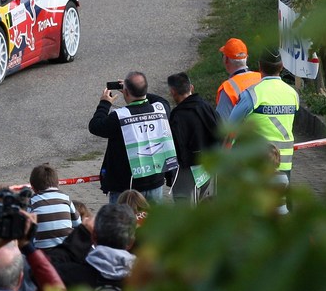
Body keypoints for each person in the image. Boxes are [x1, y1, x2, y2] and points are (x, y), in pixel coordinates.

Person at [89, 72, 178, 203]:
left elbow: (95, 126)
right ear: (145, 90)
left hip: (126, 189)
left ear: (125, 92)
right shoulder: (161, 109)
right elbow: (161, 100)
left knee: (123, 223)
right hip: (155, 182)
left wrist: (104, 103)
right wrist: (138, 91)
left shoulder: (118, 117)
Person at [228, 48, 300, 179]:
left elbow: (231, 125)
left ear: (260, 66)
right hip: (284, 164)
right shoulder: (293, 94)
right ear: (282, 66)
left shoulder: (252, 94)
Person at [51, 203, 136, 291]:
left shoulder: (70, 275)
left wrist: (82, 234)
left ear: (93, 237)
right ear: (130, 243)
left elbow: (45, 268)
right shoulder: (147, 283)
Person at [166, 71, 219, 203]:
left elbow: (174, 147)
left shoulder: (178, 116)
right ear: (191, 88)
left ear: (172, 92)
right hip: (207, 167)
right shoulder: (206, 107)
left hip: (186, 170)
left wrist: (169, 174)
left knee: (184, 212)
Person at [26, 163, 79, 249]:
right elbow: (77, 223)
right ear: (58, 183)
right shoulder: (65, 198)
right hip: (66, 248)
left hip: (43, 250)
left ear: (33, 187)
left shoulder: (32, 201)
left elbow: (26, 226)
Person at [215, 37, 259, 120]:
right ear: (247, 58)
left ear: (226, 60)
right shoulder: (261, 77)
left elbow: (221, 125)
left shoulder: (228, 89)